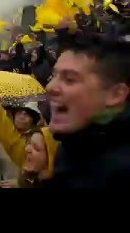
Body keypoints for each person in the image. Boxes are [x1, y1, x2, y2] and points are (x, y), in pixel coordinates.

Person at [46, 37, 130, 187]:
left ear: (116, 94)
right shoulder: (70, 146)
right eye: (53, 76)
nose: (50, 87)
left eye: (69, 79)